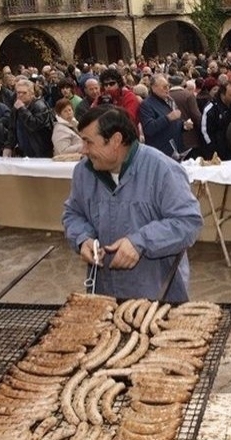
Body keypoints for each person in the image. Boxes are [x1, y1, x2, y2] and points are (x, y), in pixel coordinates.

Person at [62, 105, 203, 302]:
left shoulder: (162, 170)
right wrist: (82, 238)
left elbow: (188, 222)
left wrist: (140, 242)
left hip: (159, 295)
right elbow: (73, 214)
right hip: (104, 296)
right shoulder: (83, 172)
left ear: (116, 141)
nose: (83, 150)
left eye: (88, 142)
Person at [4, 78, 54, 158]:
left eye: (24, 93)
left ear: (32, 93)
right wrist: (8, 146)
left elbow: (33, 125)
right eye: (18, 92)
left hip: (40, 151)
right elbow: (12, 129)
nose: (20, 95)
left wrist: (22, 109)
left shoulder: (40, 106)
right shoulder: (16, 107)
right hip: (23, 150)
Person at [139, 73, 185, 157]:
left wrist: (183, 126)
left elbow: (174, 122)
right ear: (154, 88)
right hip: (160, 152)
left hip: (176, 148)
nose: (167, 89)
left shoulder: (169, 100)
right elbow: (149, 128)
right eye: (164, 87)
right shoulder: (146, 105)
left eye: (168, 86)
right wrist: (168, 118)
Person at [200, 75, 231, 160]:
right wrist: (213, 150)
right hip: (216, 151)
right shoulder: (211, 108)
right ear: (223, 95)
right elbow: (205, 131)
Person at [167, 74, 202, 158]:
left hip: (170, 137)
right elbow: (196, 115)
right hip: (189, 136)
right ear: (182, 84)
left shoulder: (166, 96)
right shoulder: (188, 95)